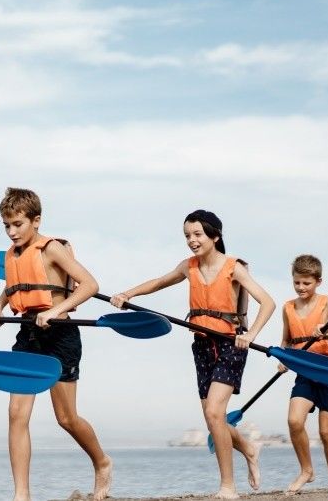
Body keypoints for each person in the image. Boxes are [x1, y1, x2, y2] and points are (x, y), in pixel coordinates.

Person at [111, 209, 275, 500]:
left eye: (197, 234)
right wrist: (128, 294)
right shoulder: (188, 266)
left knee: (214, 413)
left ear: (215, 235)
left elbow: (268, 303)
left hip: (229, 345)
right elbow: (160, 282)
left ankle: (228, 487)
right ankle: (249, 448)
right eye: (187, 235)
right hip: (201, 346)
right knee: (215, 420)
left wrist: (250, 336)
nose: (192, 240)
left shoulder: (234, 267)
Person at [0, 187, 112, 501]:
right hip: (27, 336)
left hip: (60, 336)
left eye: (18, 224)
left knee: (66, 418)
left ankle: (102, 461)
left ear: (36, 221)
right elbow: (14, 284)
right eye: (6, 226)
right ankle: (21, 494)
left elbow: (90, 285)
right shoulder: (10, 254)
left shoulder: (52, 249)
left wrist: (56, 311)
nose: (12, 232)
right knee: (16, 414)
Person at [275, 254, 328, 496]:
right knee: (294, 420)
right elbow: (286, 340)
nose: (301, 287)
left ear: (318, 282)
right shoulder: (287, 307)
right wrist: (284, 358)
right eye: (297, 283)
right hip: (304, 371)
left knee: (325, 431)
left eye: (306, 283)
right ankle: (306, 470)